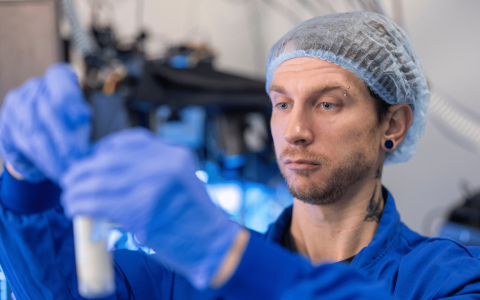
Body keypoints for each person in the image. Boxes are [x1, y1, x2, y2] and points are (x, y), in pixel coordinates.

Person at [0, 11, 479, 300]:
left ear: (391, 125)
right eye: (282, 104)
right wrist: (25, 184)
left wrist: (228, 256)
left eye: (328, 103)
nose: (294, 131)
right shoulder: (182, 273)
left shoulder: (448, 279)